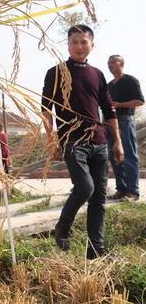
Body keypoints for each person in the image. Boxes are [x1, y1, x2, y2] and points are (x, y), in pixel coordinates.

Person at [41, 24, 123, 260]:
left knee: (99, 198)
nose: (79, 46)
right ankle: (63, 227)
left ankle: (96, 250)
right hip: (72, 140)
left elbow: (108, 111)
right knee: (85, 187)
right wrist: (51, 140)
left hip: (99, 142)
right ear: (68, 45)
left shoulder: (97, 74)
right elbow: (46, 110)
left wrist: (117, 142)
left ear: (91, 45)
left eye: (84, 42)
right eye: (74, 42)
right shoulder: (56, 72)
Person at [106, 54, 144, 201]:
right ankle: (121, 190)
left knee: (129, 155)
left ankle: (133, 192)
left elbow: (140, 101)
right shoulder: (109, 85)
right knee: (114, 156)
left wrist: (120, 104)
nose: (110, 65)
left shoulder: (130, 80)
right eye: (108, 63)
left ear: (121, 63)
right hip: (110, 123)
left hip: (125, 121)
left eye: (113, 62)